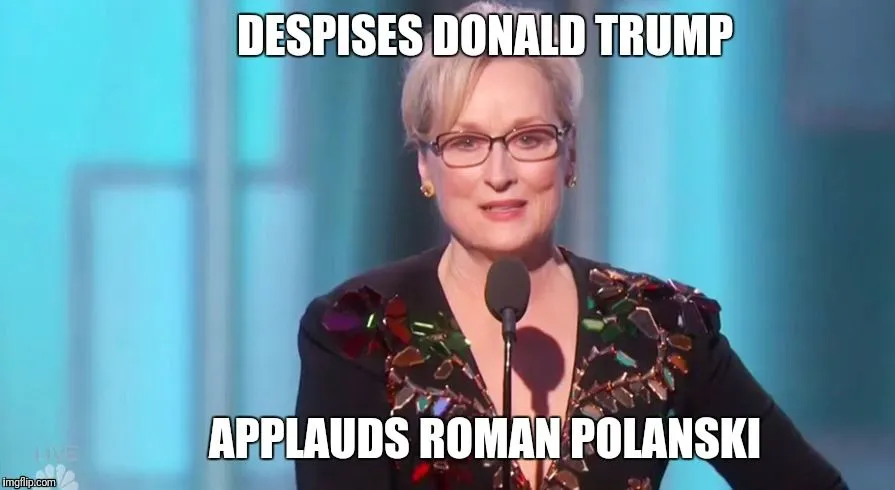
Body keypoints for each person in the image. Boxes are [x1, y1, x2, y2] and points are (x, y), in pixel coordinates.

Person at [294, 2, 849, 489]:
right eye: (466, 142)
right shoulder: (357, 329)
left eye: (529, 138)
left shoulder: (661, 326)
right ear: (425, 166)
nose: (500, 173)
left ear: (571, 154)